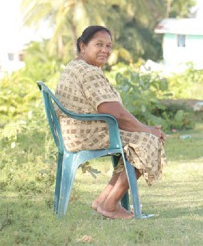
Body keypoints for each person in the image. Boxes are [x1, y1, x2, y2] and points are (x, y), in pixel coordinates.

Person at [55, 25, 167, 219]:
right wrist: (149, 131)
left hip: (76, 133)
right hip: (87, 135)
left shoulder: (75, 66)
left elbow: (116, 114)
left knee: (140, 139)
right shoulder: (88, 72)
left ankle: (103, 200)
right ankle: (111, 205)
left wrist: (145, 129)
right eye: (99, 44)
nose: (105, 50)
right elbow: (117, 115)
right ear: (83, 46)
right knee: (148, 142)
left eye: (108, 46)